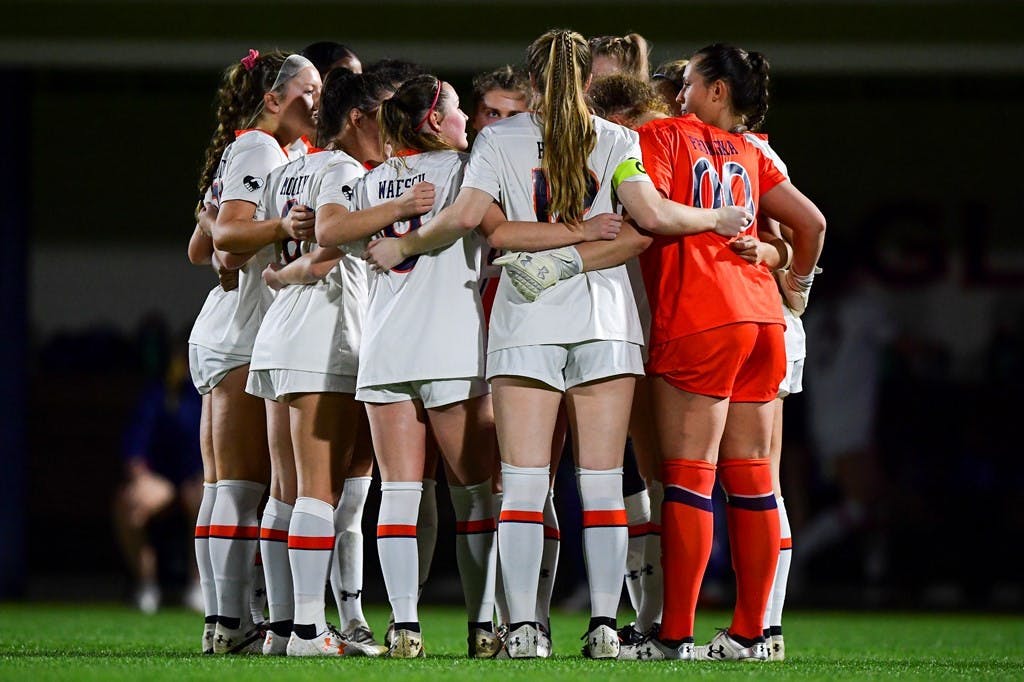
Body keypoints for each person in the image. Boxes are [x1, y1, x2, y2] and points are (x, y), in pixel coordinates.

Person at [363, 29, 750, 659]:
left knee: (521, 484)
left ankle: (525, 628)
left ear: (533, 81)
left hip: (525, 324)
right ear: (586, 81)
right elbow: (648, 223)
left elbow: (486, 227)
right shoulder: (619, 140)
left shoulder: (498, 138)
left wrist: (406, 244)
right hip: (605, 324)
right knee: (600, 486)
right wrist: (712, 217)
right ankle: (602, 624)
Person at [616, 44, 825, 662]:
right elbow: (810, 223)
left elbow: (643, 213)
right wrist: (796, 284)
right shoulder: (750, 150)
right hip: (765, 320)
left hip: (699, 318)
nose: (679, 94)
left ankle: (673, 635)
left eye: (688, 83)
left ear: (717, 92)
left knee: (687, 480)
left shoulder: (662, 135)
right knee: (757, 483)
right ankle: (749, 634)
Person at [247, 70, 418, 657]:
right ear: (357, 118)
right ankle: (307, 630)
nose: (390, 129)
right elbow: (328, 244)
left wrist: (277, 273)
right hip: (325, 337)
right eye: (383, 116)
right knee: (319, 491)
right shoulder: (344, 171)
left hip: (278, 334)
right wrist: (400, 206)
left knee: (286, 492)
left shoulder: (287, 170)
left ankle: (279, 629)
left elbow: (269, 247)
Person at [352, 74, 502, 659]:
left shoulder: (371, 183)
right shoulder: (467, 169)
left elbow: (337, 238)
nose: (471, 121)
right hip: (450, 346)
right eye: (461, 110)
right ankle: (482, 626)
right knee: (472, 497)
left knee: (399, 492)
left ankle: (405, 627)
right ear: (435, 122)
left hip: (386, 348)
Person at [187, 48, 321, 654]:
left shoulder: (259, 149)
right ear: (273, 99)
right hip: (244, 327)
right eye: (308, 89)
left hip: (224, 324)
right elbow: (229, 241)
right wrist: (282, 229)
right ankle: (234, 622)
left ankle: (222, 622)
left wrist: (218, 232)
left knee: (222, 487)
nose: (317, 99)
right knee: (240, 488)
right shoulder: (262, 150)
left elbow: (204, 246)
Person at [114, 330, 203, 615]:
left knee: (209, 500)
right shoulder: (159, 393)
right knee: (129, 503)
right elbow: (135, 446)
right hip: (161, 481)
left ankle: (199, 585)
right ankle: (146, 584)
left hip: (202, 479)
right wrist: (141, 477)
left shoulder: (218, 392)